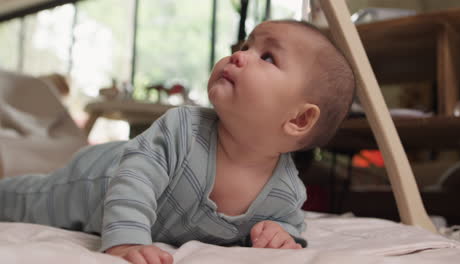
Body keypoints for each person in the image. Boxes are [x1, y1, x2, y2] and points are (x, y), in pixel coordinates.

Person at [0, 19, 354, 264]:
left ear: (299, 119)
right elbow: (133, 180)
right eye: (246, 44)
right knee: (27, 198)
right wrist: (127, 240)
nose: (239, 54)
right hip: (94, 183)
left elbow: (292, 225)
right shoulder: (183, 127)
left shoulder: (285, 192)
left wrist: (278, 233)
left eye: (267, 57)